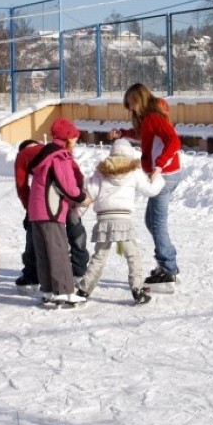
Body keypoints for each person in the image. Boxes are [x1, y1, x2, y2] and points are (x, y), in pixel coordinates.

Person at [108, 83, 182, 286]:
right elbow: (144, 135)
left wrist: (158, 166)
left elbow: (173, 141)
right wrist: (123, 133)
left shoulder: (154, 117)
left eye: (131, 103)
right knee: (151, 221)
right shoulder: (148, 119)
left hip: (164, 175)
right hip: (163, 174)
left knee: (157, 223)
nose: (130, 108)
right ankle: (167, 264)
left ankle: (169, 269)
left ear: (139, 98)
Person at [77, 139, 164, 305]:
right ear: (130, 154)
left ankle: (83, 290)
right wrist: (158, 177)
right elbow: (150, 190)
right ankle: (137, 288)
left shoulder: (100, 172)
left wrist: (76, 214)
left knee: (99, 257)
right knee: (132, 255)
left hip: (104, 220)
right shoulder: (134, 171)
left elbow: (89, 195)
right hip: (123, 221)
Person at [27, 118, 89, 305]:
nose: (76, 142)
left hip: (37, 211)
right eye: (75, 138)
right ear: (68, 138)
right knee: (58, 249)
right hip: (51, 210)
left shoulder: (45, 154)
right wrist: (82, 197)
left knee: (44, 251)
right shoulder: (59, 156)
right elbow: (68, 186)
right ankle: (63, 291)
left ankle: (48, 290)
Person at [13, 139, 89, 287]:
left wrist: (30, 209)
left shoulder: (23, 154)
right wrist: (78, 193)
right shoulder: (55, 150)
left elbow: (21, 185)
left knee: (37, 236)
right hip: (71, 189)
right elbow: (75, 171)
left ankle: (33, 275)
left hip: (51, 200)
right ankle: (79, 269)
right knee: (75, 229)